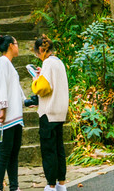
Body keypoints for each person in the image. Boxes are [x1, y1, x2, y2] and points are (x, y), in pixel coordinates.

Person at [31, 35, 69, 191]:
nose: (38, 57)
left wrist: (35, 78)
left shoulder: (47, 63)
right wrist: (42, 74)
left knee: (48, 150)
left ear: (41, 50)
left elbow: (42, 88)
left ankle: (51, 185)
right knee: (59, 149)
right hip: (60, 112)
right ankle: (61, 183)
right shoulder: (59, 62)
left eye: (37, 54)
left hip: (49, 113)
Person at [0, 34, 25, 191]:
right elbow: (1, 87)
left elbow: (15, 89)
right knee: (4, 153)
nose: (18, 47)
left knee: (13, 153)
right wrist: (2, 109)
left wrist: (26, 101)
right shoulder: (2, 62)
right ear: (11, 46)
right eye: (17, 44)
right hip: (6, 117)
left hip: (16, 116)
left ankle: (14, 187)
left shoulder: (9, 65)